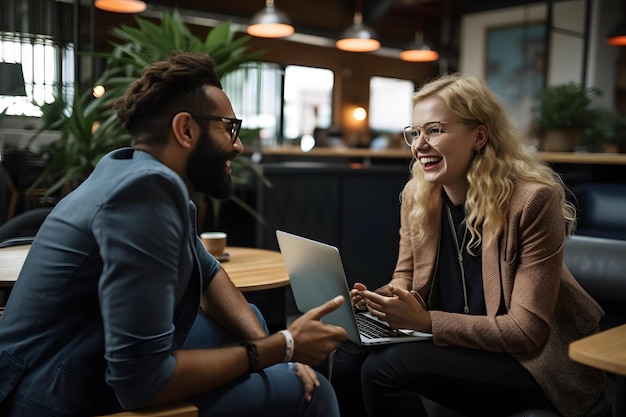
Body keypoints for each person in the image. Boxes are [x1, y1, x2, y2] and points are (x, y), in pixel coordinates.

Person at [0, 51, 347, 417]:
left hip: (83, 349)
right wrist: (285, 348)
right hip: (47, 393)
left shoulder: (132, 170)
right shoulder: (145, 194)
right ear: (186, 130)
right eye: (230, 128)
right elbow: (140, 384)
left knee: (255, 323)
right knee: (313, 393)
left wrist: (269, 346)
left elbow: (208, 272)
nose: (239, 145)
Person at [330, 73, 605, 417]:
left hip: (530, 362)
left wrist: (427, 321)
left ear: (478, 135)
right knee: (348, 350)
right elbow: (405, 275)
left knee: (385, 368)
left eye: (434, 130)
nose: (418, 145)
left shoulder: (532, 202)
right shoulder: (417, 197)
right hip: (459, 344)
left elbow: (525, 333)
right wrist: (383, 301)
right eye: (414, 133)